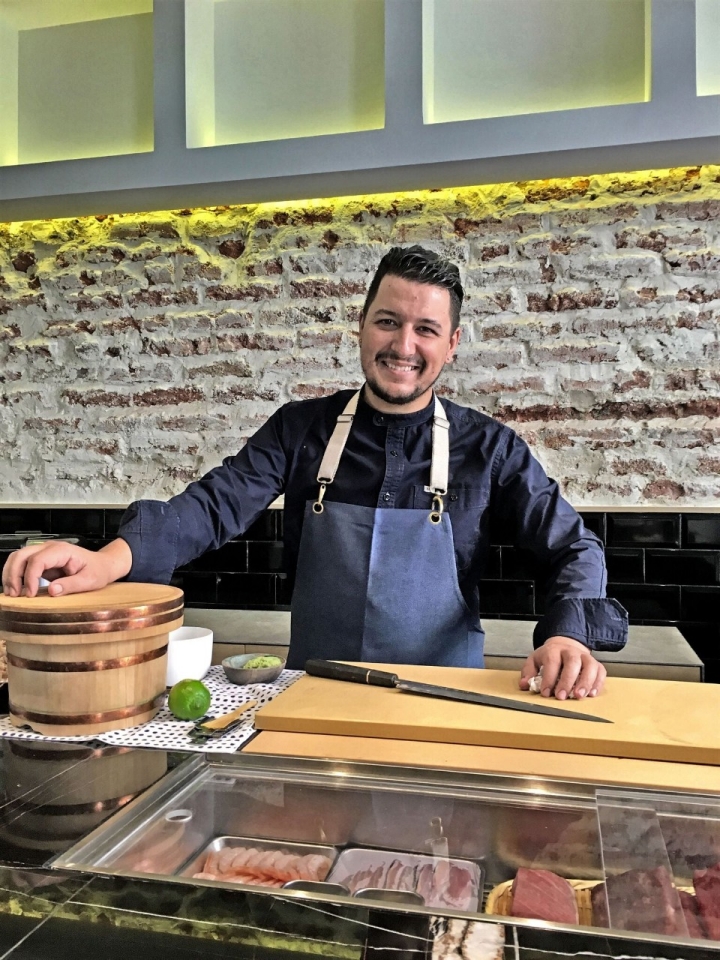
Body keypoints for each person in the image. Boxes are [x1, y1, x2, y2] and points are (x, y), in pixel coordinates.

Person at [2, 246, 627, 700]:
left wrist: (568, 634)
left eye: (425, 330)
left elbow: (574, 546)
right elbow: (215, 504)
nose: (403, 345)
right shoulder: (300, 429)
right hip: (312, 695)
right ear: (361, 324)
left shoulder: (490, 448)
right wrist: (109, 559)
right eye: (388, 321)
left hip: (445, 700)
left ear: (452, 343)